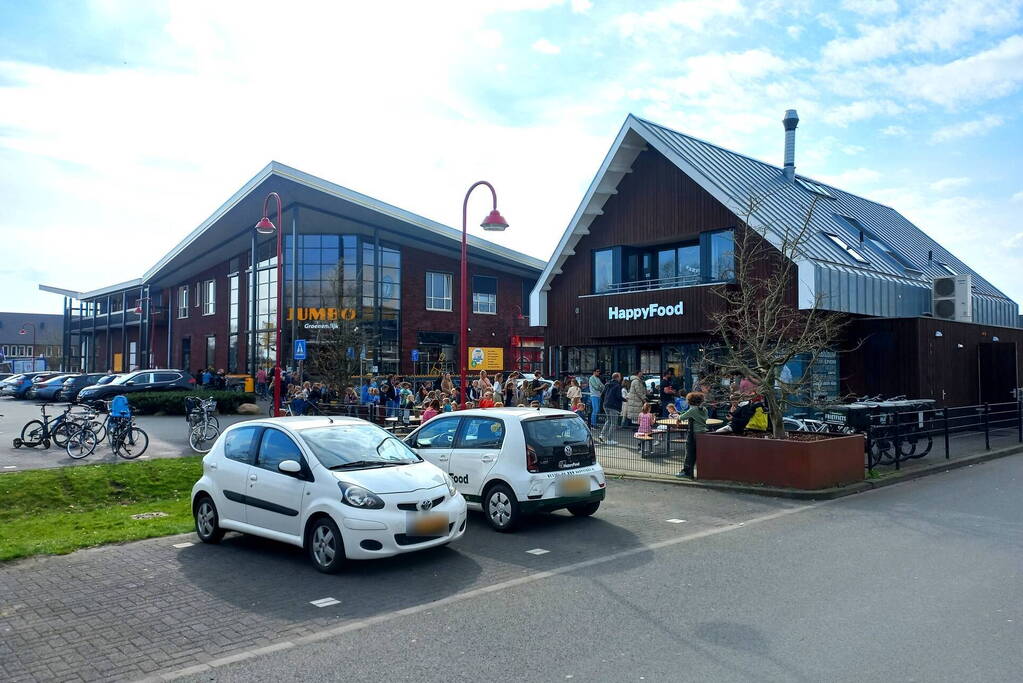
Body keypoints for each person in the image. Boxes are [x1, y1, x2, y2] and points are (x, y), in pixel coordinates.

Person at [677, 392, 709, 478]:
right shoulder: (704, 409)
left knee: (689, 452)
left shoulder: (693, 410)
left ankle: (687, 471)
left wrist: (678, 416)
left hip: (693, 433)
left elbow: (681, 417)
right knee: (698, 452)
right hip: (703, 432)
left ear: (690, 401)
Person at [598, 372, 623, 444]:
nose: (621, 378)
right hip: (614, 406)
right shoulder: (617, 385)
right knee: (613, 423)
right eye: (620, 376)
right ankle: (609, 439)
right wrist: (625, 399)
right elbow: (618, 396)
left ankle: (602, 435)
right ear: (617, 377)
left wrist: (605, 402)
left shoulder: (607, 384)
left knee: (608, 420)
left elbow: (602, 394)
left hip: (606, 405)